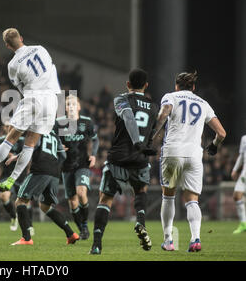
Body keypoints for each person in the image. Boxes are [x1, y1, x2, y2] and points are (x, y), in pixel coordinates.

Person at [154, 71, 226, 252]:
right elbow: (222, 133)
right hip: (194, 155)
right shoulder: (203, 104)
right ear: (193, 87)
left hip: (173, 152)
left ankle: (168, 240)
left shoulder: (170, 96)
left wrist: (150, 137)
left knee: (168, 195)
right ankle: (195, 239)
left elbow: (163, 115)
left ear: (176, 85)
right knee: (192, 199)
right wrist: (214, 146)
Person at [90, 69, 158, 255]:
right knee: (141, 191)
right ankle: (140, 223)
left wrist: (136, 142)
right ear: (146, 85)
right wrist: (146, 146)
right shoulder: (153, 106)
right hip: (140, 159)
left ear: (128, 84)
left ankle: (96, 244)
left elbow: (128, 117)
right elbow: (154, 130)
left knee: (105, 199)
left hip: (119, 157)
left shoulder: (121, 99)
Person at [0, 28, 61, 193]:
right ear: (21, 37)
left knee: (11, 136)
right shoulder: (41, 48)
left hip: (34, 97)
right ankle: (12, 180)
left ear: (7, 45)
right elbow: (50, 69)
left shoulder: (12, 64)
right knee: (30, 143)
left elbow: (19, 86)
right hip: (52, 100)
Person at [9, 130, 79, 245]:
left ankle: (26, 239)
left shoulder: (37, 131)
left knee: (20, 201)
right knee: (45, 206)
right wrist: (54, 166)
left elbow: (31, 149)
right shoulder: (55, 135)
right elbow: (63, 155)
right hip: (54, 173)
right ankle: (71, 234)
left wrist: (16, 157)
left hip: (40, 170)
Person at [55, 94, 99, 240]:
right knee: (72, 201)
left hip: (82, 164)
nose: (71, 106)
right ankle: (82, 229)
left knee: (81, 193)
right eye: (68, 104)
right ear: (65, 108)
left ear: (79, 107)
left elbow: (95, 139)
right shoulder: (60, 123)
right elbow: (52, 139)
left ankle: (85, 224)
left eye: (74, 104)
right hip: (67, 166)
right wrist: (58, 146)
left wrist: (93, 154)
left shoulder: (86, 122)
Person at [231, 134, 246, 234]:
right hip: (245, 172)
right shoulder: (244, 138)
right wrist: (235, 170)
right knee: (237, 195)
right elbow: (241, 155)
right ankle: (243, 224)